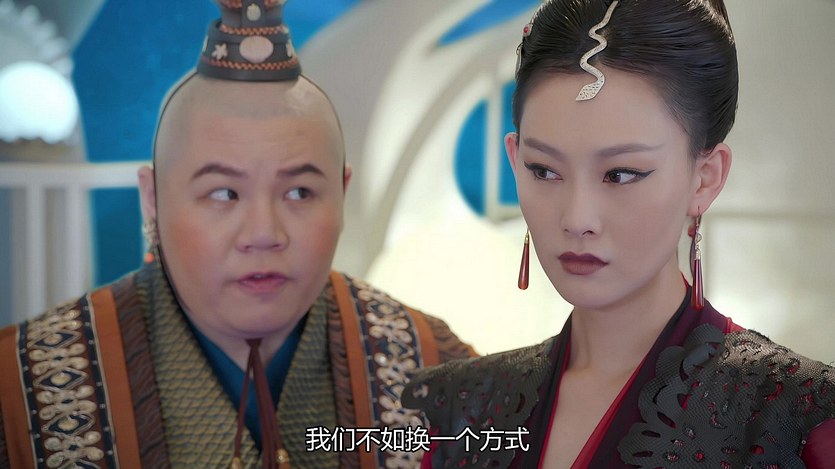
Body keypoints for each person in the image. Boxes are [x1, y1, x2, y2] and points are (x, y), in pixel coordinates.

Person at [0, 1, 475, 468]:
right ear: (153, 200)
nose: (263, 234)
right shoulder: (21, 390)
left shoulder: (434, 367)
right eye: (224, 193)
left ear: (342, 193)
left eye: (300, 192)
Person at [401, 0, 835, 467]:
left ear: (704, 178)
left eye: (621, 174)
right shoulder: (462, 405)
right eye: (544, 170)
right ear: (514, 160)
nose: (577, 218)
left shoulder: (795, 415)